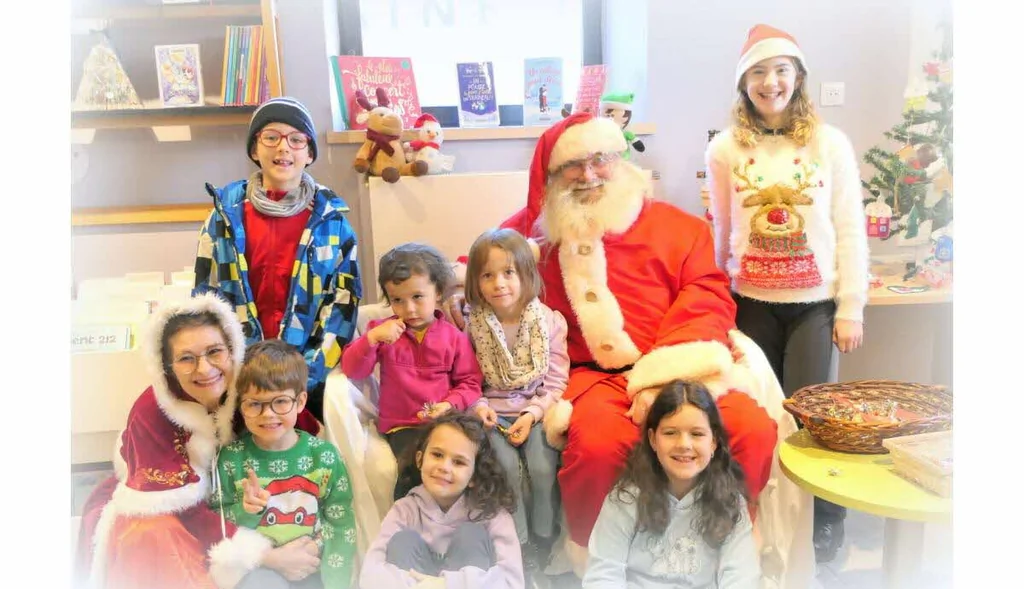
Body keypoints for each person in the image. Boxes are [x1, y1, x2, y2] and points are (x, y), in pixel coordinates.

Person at [446, 112, 793, 580]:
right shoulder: (536, 235)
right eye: (572, 165)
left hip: (681, 365)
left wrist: (661, 379)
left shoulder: (681, 228)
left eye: (600, 160)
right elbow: (478, 263)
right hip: (591, 376)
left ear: (620, 160)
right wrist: (452, 293)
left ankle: (720, 555)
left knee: (750, 429)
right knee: (599, 447)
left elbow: (707, 296)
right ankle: (599, 566)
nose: (588, 175)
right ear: (550, 177)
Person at [705, 23, 869, 562]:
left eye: (780, 70)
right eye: (758, 72)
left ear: (797, 77)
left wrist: (851, 306)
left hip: (816, 308)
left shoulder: (829, 142)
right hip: (750, 303)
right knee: (759, 416)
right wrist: (715, 299)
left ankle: (826, 526)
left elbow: (849, 226)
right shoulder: (726, 148)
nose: (770, 82)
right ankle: (765, 524)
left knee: (812, 419)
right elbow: (721, 230)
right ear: (743, 83)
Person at [74, 294, 321, 589]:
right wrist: (265, 555)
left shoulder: (251, 386)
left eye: (215, 352)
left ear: (232, 351)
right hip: (169, 514)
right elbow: (181, 511)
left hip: (242, 502)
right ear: (167, 366)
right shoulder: (151, 413)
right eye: (186, 359)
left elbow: (304, 438)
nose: (204, 369)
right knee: (150, 535)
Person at [193, 96, 362, 430]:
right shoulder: (224, 218)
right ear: (255, 149)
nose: (284, 148)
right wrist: (226, 368)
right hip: (237, 374)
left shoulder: (333, 223)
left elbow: (342, 309)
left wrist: (304, 375)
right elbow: (204, 299)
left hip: (304, 380)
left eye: (296, 139)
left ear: (309, 154)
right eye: (271, 136)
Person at [340, 243, 483, 500]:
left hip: (445, 421)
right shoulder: (382, 330)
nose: (409, 309)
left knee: (463, 464)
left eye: (417, 297)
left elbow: (471, 383)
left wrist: (450, 404)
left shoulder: (454, 337)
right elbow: (353, 369)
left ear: (438, 292)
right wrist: (371, 338)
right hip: (402, 426)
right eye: (397, 300)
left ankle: (455, 522)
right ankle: (409, 524)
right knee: (413, 468)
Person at [211, 340, 357, 589]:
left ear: (300, 402)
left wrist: (326, 563)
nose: (268, 414)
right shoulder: (231, 459)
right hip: (259, 571)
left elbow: (341, 522)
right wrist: (247, 510)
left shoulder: (325, 456)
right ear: (241, 406)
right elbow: (218, 521)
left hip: (314, 566)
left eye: (280, 402)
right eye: (255, 404)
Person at [585, 380, 760, 588]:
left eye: (697, 434)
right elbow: (603, 574)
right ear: (652, 439)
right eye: (670, 433)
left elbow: (741, 578)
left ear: (713, 442)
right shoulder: (625, 498)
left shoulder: (730, 502)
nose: (684, 445)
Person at [463, 228, 568, 571]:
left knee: (541, 466)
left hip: (534, 410)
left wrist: (532, 414)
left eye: (508, 273)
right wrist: (480, 407)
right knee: (505, 468)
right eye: (487, 275)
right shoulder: (471, 326)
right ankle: (518, 541)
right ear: (476, 283)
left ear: (526, 274)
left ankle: (543, 535)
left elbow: (555, 380)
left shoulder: (549, 322)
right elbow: (466, 378)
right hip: (492, 412)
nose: (499, 284)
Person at [358, 413, 524, 589]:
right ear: (420, 459)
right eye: (437, 455)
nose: (444, 467)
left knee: (471, 535)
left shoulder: (492, 514)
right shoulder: (404, 510)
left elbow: (512, 582)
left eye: (458, 462)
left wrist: (447, 585)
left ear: (475, 475)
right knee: (403, 541)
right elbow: (369, 576)